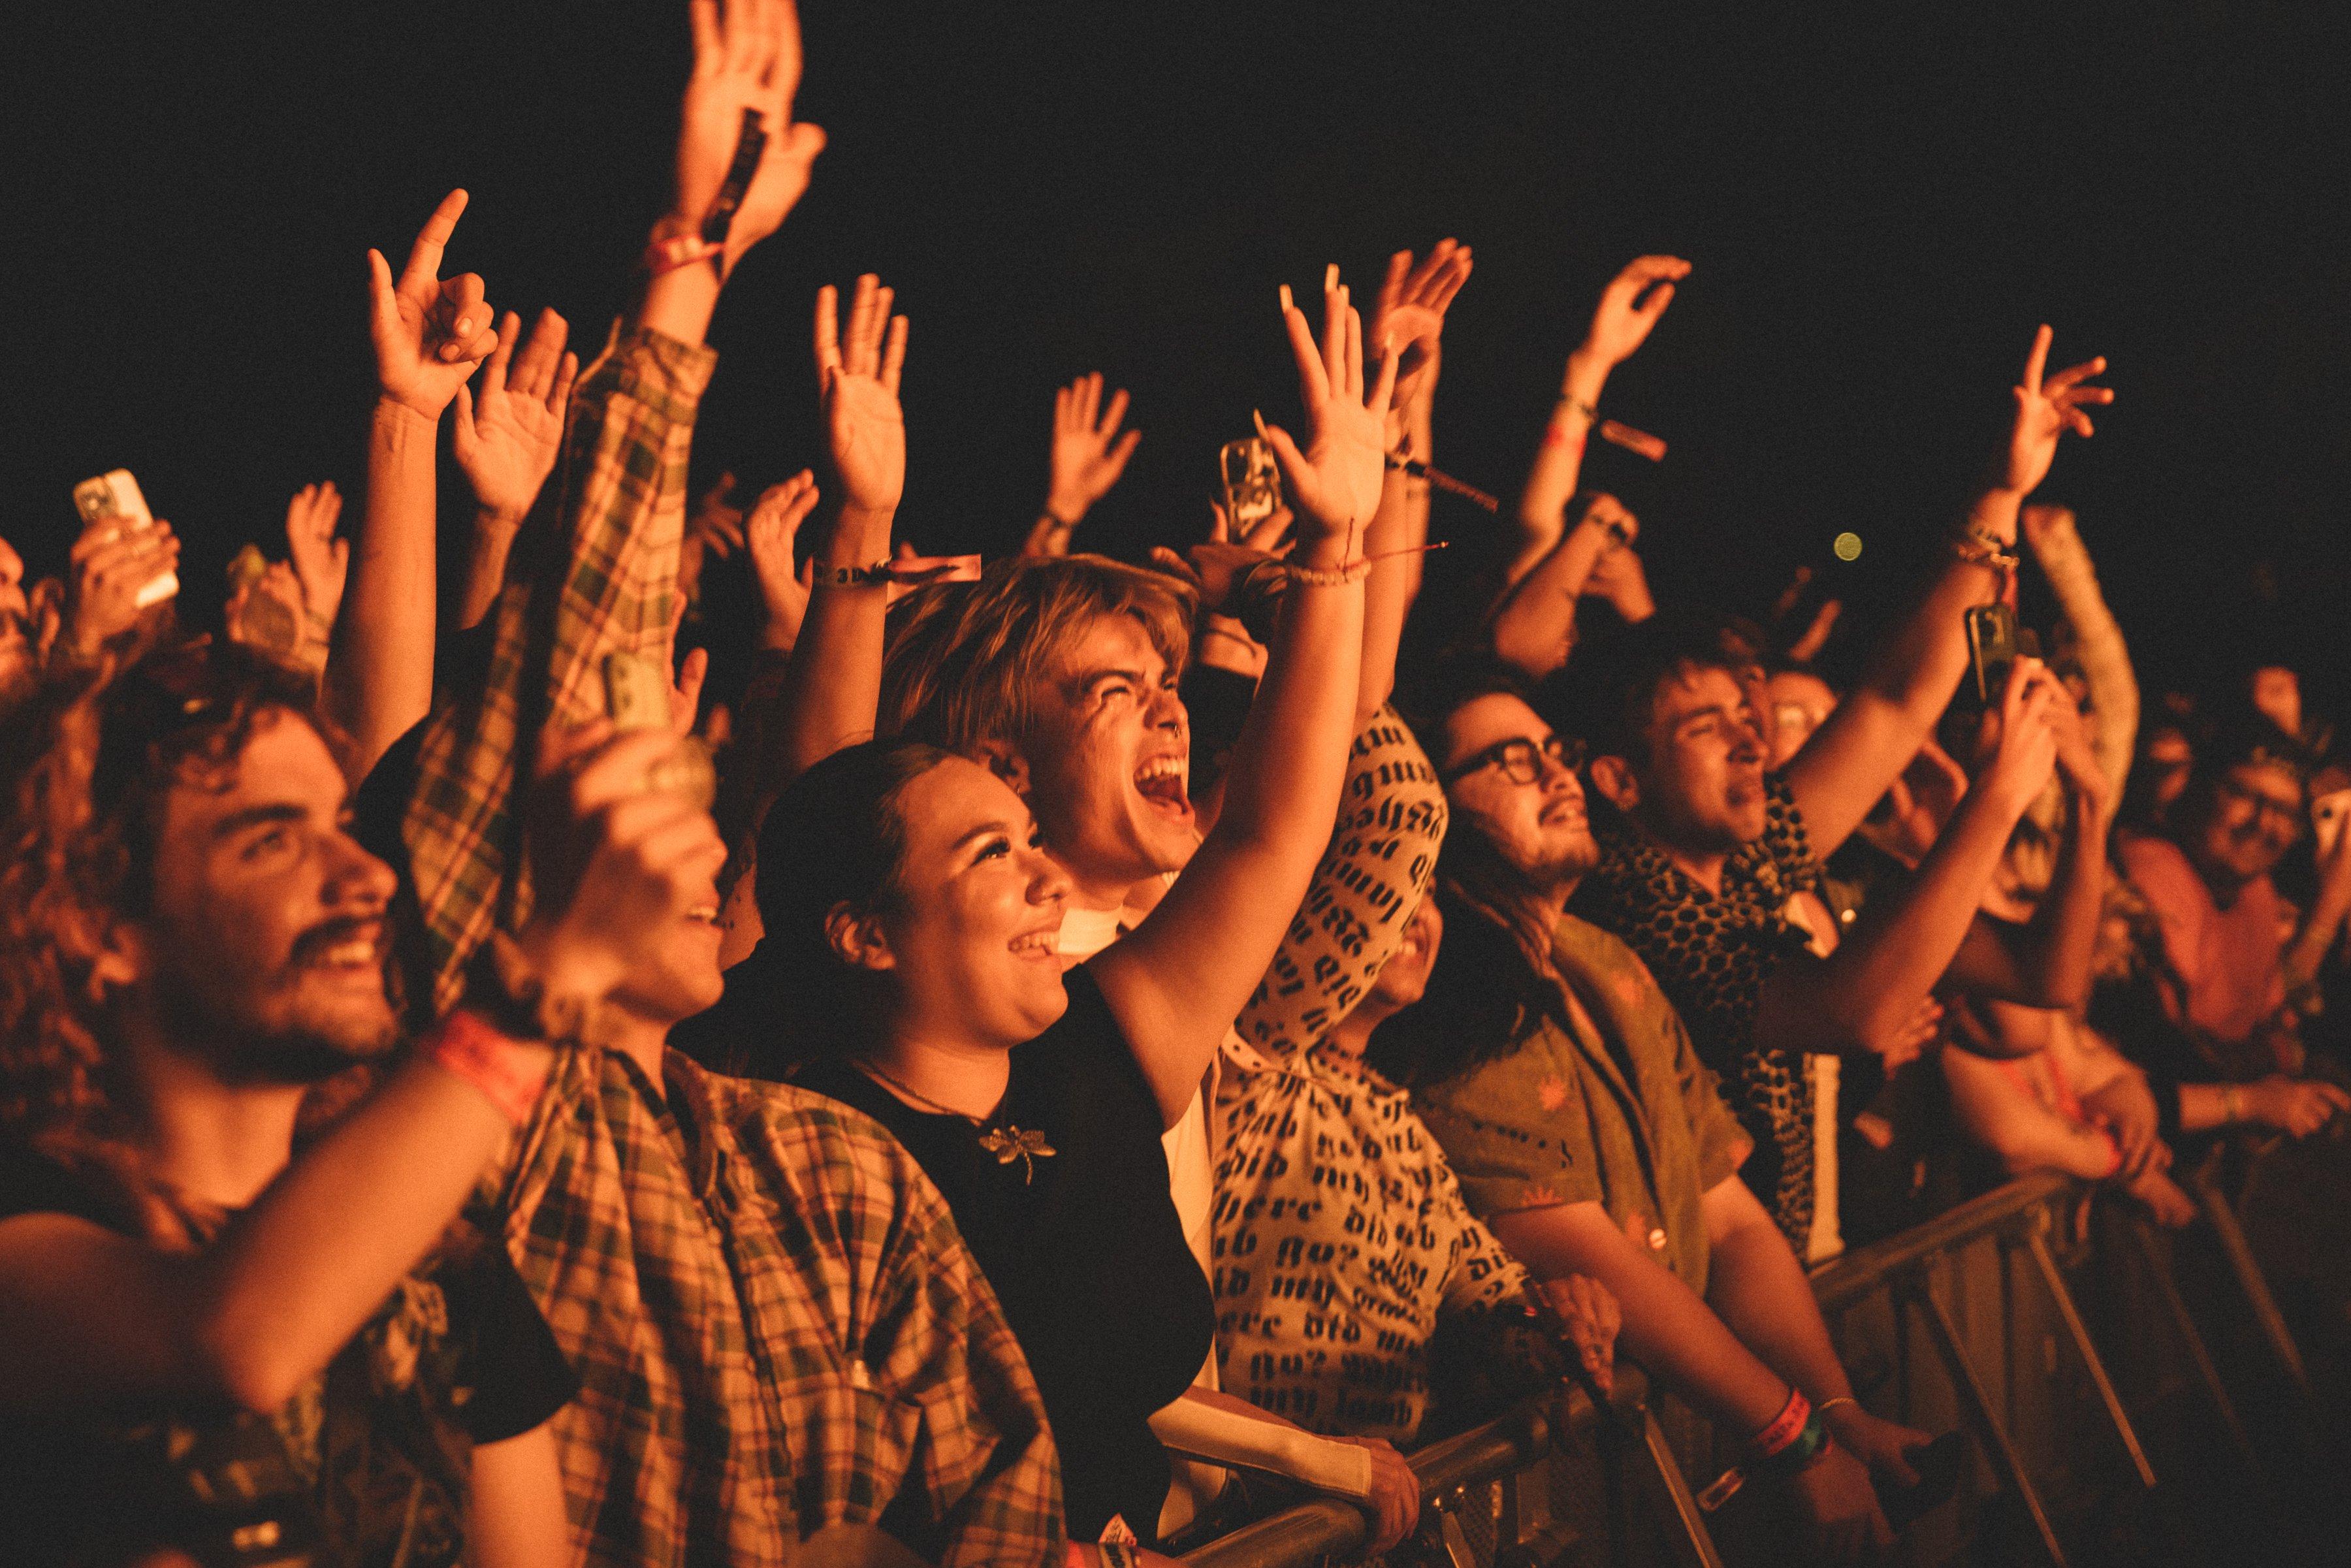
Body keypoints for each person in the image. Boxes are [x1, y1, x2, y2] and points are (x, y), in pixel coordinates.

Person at [377, 8, 1070, 1564]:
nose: (706, 846)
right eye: (645, 800)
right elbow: (551, 688)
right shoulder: (492, 1135)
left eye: (701, 807)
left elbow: (1001, 1482)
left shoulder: (827, 1167)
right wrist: (685, 267)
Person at [761, 264, 1411, 1554]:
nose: (1047, 877)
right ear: (864, 929)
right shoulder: (805, 1129)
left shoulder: (1100, 1053)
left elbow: (1280, 828)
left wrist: (1338, 549)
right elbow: (824, 810)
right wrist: (862, 532)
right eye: (995, 850)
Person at [0, 639, 603, 1568]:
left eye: (345, 823)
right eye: (275, 840)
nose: (368, 877)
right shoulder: (27, 1216)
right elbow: (231, 1337)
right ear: (98, 926)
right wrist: (550, 970)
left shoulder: (444, 1260)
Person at [1565, 327, 2113, 1253]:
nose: (1750, 741)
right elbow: (1854, 1012)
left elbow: (1898, 702)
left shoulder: (1746, 855)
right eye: (1708, 727)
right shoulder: (1634, 909)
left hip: (1798, 1270)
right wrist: (1995, 798)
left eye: (1749, 716)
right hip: (1699, 1314)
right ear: (1619, 779)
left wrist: (2003, 489)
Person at [1374, 660, 1931, 1561]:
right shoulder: (1447, 998)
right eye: (1512, 760)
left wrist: (1836, 1411)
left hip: (1679, 1464)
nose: (1557, 772)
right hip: (1549, 1502)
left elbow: (1730, 1212)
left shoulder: (1606, 958)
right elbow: (1580, 1246)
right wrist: (1791, 1433)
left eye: (1555, 749)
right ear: (1434, 807)